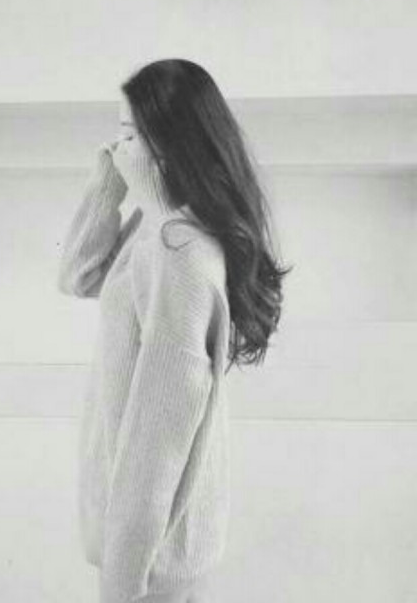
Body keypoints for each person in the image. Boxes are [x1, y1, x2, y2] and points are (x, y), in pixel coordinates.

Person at [57, 59, 291, 603]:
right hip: (151, 548)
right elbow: (76, 275)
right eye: (119, 133)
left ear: (171, 143)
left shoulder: (177, 249)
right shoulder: (159, 231)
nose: (119, 148)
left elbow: (157, 439)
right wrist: (107, 183)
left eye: (131, 134)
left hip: (150, 560)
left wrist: (123, 579)